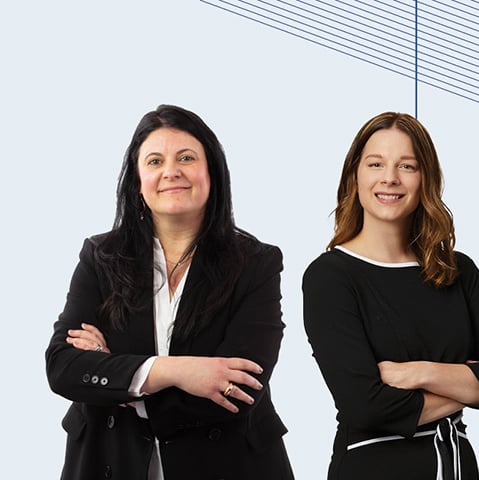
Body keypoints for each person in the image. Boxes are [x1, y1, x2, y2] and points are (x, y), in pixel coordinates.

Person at [46, 104, 294, 480]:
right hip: (109, 461)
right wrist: (176, 371)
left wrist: (123, 379)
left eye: (186, 157)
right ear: (137, 179)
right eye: (155, 161)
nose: (171, 172)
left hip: (228, 466)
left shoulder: (256, 263)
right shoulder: (100, 256)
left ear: (212, 171)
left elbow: (239, 390)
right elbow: (63, 367)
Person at [302, 111, 479, 479]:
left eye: (407, 166)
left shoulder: (458, 272)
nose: (389, 178)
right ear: (354, 175)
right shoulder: (330, 277)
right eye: (376, 164)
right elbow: (365, 407)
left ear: (425, 179)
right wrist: (470, 385)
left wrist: (417, 374)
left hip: (454, 466)